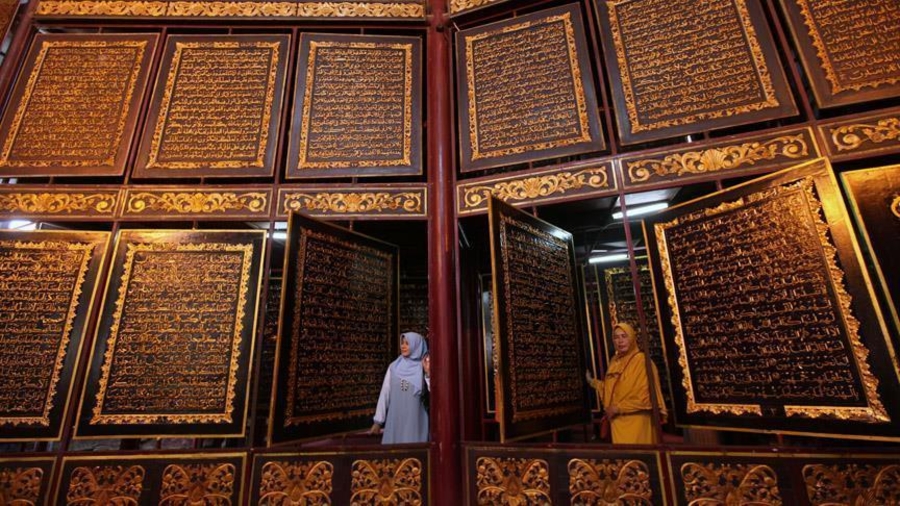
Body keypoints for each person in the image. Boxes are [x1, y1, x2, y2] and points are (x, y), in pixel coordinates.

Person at [586, 322, 666, 444]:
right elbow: (610, 389)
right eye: (616, 337)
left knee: (637, 454)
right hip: (616, 423)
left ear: (632, 338)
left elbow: (645, 396)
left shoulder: (641, 361)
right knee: (623, 455)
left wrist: (618, 408)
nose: (620, 341)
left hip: (636, 422)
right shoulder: (615, 361)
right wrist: (592, 381)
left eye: (624, 336)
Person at [369, 332, 430, 444]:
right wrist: (378, 421)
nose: (403, 346)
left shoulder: (423, 367)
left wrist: (428, 374)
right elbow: (385, 394)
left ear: (416, 345)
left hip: (416, 421)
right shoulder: (394, 367)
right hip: (396, 420)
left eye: (407, 343)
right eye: (402, 343)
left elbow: (433, 393)